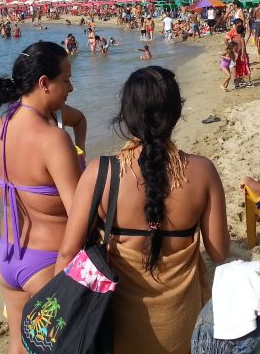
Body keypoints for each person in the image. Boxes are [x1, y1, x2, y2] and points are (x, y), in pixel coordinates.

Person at [55, 66, 230, 353]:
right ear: (176, 112)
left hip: (117, 329)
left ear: (126, 114)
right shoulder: (203, 172)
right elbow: (220, 252)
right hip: (182, 326)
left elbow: (67, 252)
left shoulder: (102, 172)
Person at [0, 41, 82, 354]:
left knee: (18, 346)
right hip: (48, 260)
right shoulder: (53, 139)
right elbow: (79, 210)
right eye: (65, 79)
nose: (70, 87)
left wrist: (29, 193)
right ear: (44, 83)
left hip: (9, 256)